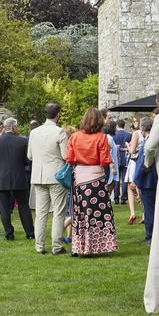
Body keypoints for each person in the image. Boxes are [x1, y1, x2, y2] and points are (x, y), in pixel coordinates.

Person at [65, 108, 117, 257]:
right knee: (99, 213)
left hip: (80, 176)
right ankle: (98, 245)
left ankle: (80, 246)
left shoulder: (74, 137)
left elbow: (70, 158)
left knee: (80, 213)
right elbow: (104, 160)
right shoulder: (102, 137)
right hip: (96, 177)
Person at [27, 101, 69, 255]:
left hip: (38, 175)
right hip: (56, 175)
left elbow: (29, 155)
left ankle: (39, 246)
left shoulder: (34, 132)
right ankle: (57, 246)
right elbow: (66, 156)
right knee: (58, 212)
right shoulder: (59, 132)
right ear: (58, 115)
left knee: (41, 212)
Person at [0, 118, 35, 241]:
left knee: (4, 208)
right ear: (14, 127)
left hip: (1, 178)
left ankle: (9, 233)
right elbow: (28, 161)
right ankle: (30, 232)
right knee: (24, 206)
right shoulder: (23, 141)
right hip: (19, 177)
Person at [133, 117, 156, 244]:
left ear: (142, 128)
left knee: (149, 209)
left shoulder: (149, 142)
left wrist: (135, 180)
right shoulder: (152, 140)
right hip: (152, 178)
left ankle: (150, 235)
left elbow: (143, 163)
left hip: (148, 179)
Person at [113, 119, 132, 204]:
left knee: (117, 179)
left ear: (117, 125)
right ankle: (124, 198)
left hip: (116, 158)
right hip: (125, 158)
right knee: (125, 178)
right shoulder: (129, 135)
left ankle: (116, 198)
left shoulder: (113, 135)